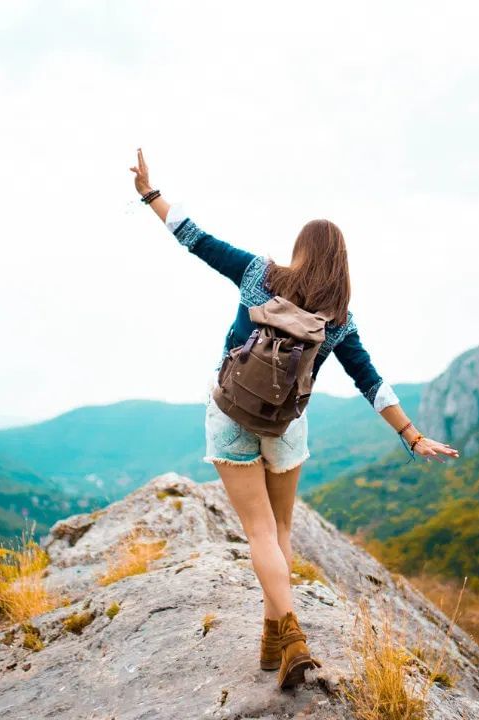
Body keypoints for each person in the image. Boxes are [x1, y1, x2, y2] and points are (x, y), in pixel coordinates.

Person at [129, 148, 458, 690]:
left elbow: (194, 237)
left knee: (258, 532)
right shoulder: (339, 321)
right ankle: (272, 640)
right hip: (286, 427)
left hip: (231, 414)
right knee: (280, 531)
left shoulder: (260, 274)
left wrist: (149, 194)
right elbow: (371, 384)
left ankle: (293, 638)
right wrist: (412, 435)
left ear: (302, 251)